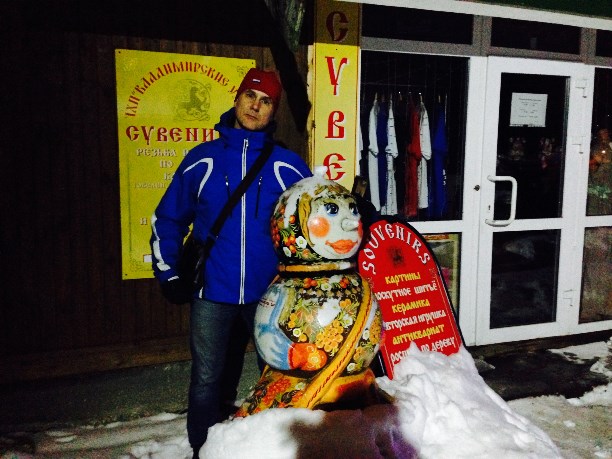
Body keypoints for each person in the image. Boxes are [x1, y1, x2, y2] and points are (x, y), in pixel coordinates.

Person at [150, 68, 312, 457]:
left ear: (273, 111)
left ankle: (273, 449)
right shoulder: (202, 159)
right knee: (207, 379)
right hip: (212, 291)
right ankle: (202, 449)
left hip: (269, 295)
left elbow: (317, 213)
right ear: (237, 99)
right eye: (250, 96)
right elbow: (168, 218)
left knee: (277, 375)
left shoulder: (286, 165)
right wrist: (168, 272)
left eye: (266, 101)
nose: (255, 106)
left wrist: (358, 213)